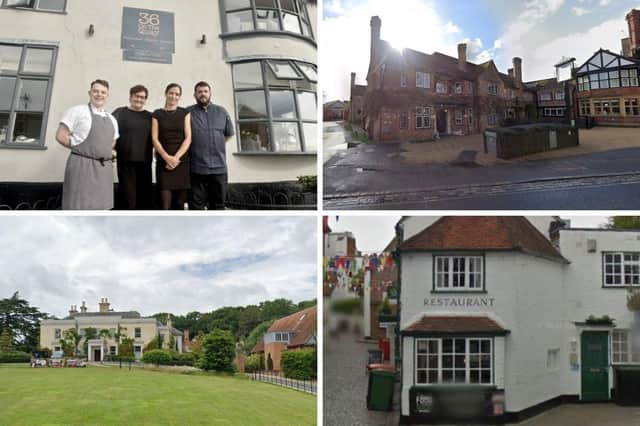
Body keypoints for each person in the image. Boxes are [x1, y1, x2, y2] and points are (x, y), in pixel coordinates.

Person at [56, 79, 119, 210]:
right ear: (90, 93)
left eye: (103, 92)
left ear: (107, 95)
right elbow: (61, 135)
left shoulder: (112, 119)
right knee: (78, 205)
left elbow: (112, 143)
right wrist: (82, 150)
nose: (99, 95)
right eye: (96, 91)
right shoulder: (77, 111)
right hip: (81, 166)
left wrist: (99, 153)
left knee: (102, 207)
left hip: (104, 169)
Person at [188, 81, 235, 210]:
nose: (202, 94)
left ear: (210, 93)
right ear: (195, 94)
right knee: (196, 207)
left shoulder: (221, 111)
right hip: (197, 168)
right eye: (199, 92)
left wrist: (216, 144)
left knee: (218, 206)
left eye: (205, 91)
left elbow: (228, 134)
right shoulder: (188, 112)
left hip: (219, 168)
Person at [151, 83, 192, 210]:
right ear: (166, 94)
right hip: (164, 162)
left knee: (180, 204)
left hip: (182, 162)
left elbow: (188, 137)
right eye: (171, 93)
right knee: (165, 205)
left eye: (177, 94)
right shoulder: (157, 114)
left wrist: (176, 158)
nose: (174, 96)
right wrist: (166, 157)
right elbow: (154, 138)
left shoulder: (185, 113)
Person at [112, 85, 153, 209]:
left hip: (145, 162)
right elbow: (110, 134)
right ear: (130, 97)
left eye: (143, 97)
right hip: (125, 161)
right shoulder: (119, 113)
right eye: (136, 96)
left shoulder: (150, 116)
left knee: (144, 196)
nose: (139, 99)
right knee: (127, 196)